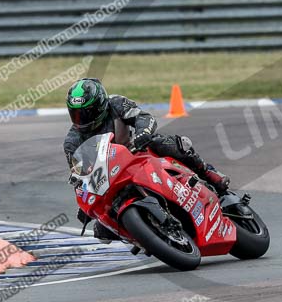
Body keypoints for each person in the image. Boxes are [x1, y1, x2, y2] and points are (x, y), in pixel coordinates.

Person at [63, 78, 229, 241]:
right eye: (75, 114)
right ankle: (145, 238)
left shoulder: (116, 103)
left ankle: (207, 172)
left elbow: (144, 117)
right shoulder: (72, 142)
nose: (81, 119)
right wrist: (84, 204)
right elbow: (80, 175)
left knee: (161, 142)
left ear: (100, 105)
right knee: (101, 229)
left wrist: (143, 133)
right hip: (109, 179)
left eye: (86, 112)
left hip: (135, 153)